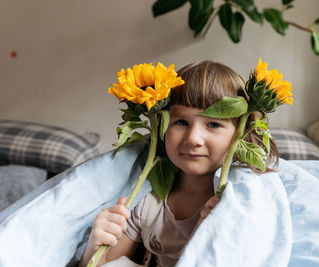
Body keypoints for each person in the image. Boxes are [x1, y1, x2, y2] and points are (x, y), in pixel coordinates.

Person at [79, 60, 279, 267]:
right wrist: (95, 246)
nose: (194, 138)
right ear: (161, 127)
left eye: (213, 124)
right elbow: (106, 263)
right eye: (181, 122)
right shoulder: (148, 199)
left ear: (241, 133)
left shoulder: (239, 201)